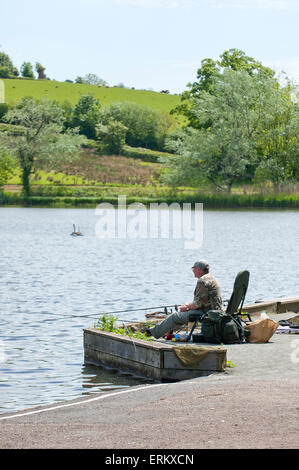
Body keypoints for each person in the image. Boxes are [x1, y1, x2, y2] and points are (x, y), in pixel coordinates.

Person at [146, 260, 222, 339]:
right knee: (180, 315)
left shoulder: (202, 281)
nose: (193, 271)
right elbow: (202, 300)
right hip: (213, 311)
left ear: (199, 269)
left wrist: (187, 307)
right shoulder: (211, 278)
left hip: (207, 313)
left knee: (175, 316)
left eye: (194, 269)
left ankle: (152, 332)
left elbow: (197, 304)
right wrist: (188, 305)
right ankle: (166, 334)